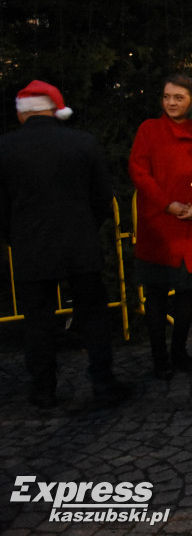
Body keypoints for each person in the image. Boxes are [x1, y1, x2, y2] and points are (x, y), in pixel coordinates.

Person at [0, 80, 131, 408]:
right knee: (93, 314)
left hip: (31, 244)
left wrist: (15, 236)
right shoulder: (82, 142)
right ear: (55, 110)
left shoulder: (6, 147)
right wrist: (88, 226)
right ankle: (103, 382)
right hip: (79, 241)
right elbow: (102, 197)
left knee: (37, 320)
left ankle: (43, 389)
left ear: (22, 113)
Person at [129, 74, 192, 379]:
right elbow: (139, 172)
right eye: (167, 97)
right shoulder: (149, 129)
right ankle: (159, 359)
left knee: (187, 292)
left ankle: (179, 351)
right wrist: (166, 204)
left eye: (178, 97)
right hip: (159, 223)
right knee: (155, 295)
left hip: (191, 223)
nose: (171, 103)